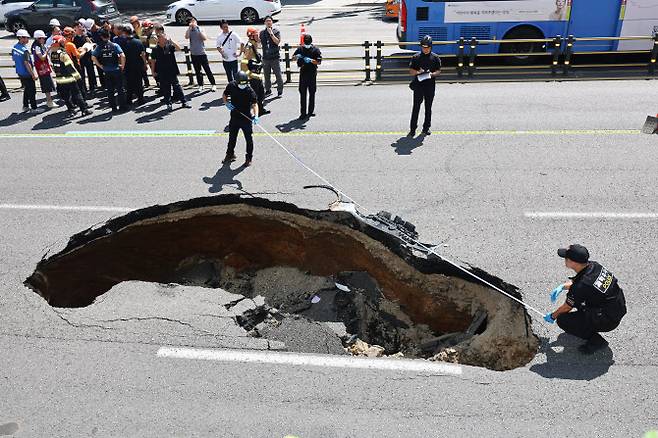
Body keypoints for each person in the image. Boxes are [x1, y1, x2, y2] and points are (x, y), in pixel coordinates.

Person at [544, 244, 627, 354]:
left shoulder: (581, 286)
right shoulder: (594, 266)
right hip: (617, 306)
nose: (565, 260)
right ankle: (588, 321)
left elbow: (567, 307)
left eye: (566, 258)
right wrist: (563, 286)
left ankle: (596, 341)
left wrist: (553, 316)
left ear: (572, 262)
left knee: (563, 320)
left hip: (608, 320)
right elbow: (584, 284)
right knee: (579, 301)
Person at [222, 71, 258, 167]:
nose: (243, 86)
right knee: (232, 137)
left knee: (249, 139)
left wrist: (256, 115)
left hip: (246, 118)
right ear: (236, 82)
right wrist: (226, 103)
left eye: (244, 84)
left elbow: (255, 104)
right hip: (234, 117)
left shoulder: (249, 90)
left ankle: (249, 157)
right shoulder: (231, 86)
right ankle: (230, 154)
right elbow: (224, 95)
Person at [49, 35, 92, 116]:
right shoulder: (63, 54)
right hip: (69, 78)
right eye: (62, 42)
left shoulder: (52, 54)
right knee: (77, 93)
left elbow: (54, 67)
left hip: (60, 79)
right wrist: (78, 76)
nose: (64, 43)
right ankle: (84, 110)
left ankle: (71, 110)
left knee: (66, 96)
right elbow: (70, 67)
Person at [408, 35, 441, 137]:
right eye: (423, 47)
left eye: (427, 47)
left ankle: (426, 128)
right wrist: (419, 71)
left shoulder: (435, 58)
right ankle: (412, 129)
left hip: (430, 85)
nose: (425, 49)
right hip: (418, 85)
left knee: (428, 107)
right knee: (416, 107)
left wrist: (431, 74)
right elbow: (411, 71)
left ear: (431, 47)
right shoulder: (416, 57)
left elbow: (438, 71)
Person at [150, 32, 191, 111]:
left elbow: (179, 49)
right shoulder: (155, 49)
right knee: (166, 89)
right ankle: (168, 104)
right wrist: (153, 71)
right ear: (159, 39)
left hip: (172, 70)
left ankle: (184, 101)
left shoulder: (169, 46)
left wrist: (171, 41)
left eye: (165, 37)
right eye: (163, 37)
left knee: (177, 87)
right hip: (162, 72)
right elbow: (153, 61)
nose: (165, 39)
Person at [92, 29, 127, 113]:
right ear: (109, 35)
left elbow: (93, 57)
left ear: (101, 37)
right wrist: (122, 66)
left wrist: (100, 66)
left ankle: (113, 107)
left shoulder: (99, 47)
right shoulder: (114, 45)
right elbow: (123, 55)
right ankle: (122, 106)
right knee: (120, 89)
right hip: (116, 69)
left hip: (107, 71)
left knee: (110, 90)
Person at [293, 34, 322, 120]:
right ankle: (303, 113)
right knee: (303, 93)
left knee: (312, 92)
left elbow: (319, 62)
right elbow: (293, 58)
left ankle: (310, 111)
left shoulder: (316, 50)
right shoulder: (300, 49)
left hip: (312, 73)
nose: (306, 43)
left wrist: (310, 60)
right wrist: (297, 57)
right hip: (303, 73)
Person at [241, 27, 268, 115]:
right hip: (253, 75)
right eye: (256, 35)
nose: (258, 36)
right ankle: (247, 112)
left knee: (261, 93)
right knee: (254, 95)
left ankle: (260, 110)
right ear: (251, 36)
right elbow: (244, 63)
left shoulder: (254, 44)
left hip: (257, 74)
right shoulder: (249, 46)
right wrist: (250, 75)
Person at [185, 17, 216, 92]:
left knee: (207, 70)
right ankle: (201, 85)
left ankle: (213, 84)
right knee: (197, 71)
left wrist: (197, 28)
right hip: (194, 54)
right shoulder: (189, 30)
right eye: (190, 22)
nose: (192, 23)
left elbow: (204, 38)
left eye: (193, 21)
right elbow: (187, 37)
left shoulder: (200, 29)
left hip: (201, 53)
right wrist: (189, 28)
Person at [12, 29, 37, 112]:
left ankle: (25, 106)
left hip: (20, 72)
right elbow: (27, 63)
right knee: (32, 90)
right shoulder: (24, 50)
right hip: (27, 73)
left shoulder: (15, 48)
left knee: (27, 89)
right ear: (21, 38)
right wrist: (33, 74)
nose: (28, 39)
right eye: (26, 38)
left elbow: (14, 59)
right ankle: (34, 108)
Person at [121, 25, 146, 106]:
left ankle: (128, 100)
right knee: (139, 83)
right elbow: (143, 54)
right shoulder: (138, 42)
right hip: (138, 65)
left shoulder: (123, 43)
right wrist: (145, 64)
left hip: (128, 66)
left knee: (129, 84)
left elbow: (121, 55)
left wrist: (122, 66)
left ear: (124, 33)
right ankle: (141, 99)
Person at [30, 30, 56, 108]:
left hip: (44, 67)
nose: (44, 40)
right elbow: (42, 58)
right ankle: (49, 101)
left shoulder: (40, 46)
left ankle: (50, 100)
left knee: (48, 83)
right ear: (38, 38)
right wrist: (47, 50)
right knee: (46, 84)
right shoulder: (37, 47)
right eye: (42, 38)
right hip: (42, 69)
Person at [260, 16, 283, 97]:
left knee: (278, 75)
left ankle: (280, 90)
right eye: (267, 21)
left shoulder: (276, 31)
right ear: (264, 23)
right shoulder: (262, 32)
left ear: (272, 22)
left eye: (270, 21)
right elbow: (260, 44)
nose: (268, 22)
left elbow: (277, 42)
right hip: (266, 58)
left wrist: (271, 34)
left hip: (275, 57)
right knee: (266, 76)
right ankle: (268, 90)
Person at [63, 26, 87, 98]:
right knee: (80, 84)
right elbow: (78, 56)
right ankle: (84, 101)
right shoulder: (71, 44)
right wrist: (84, 50)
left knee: (73, 85)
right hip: (76, 65)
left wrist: (77, 50)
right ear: (70, 35)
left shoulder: (63, 43)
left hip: (68, 66)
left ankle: (75, 101)